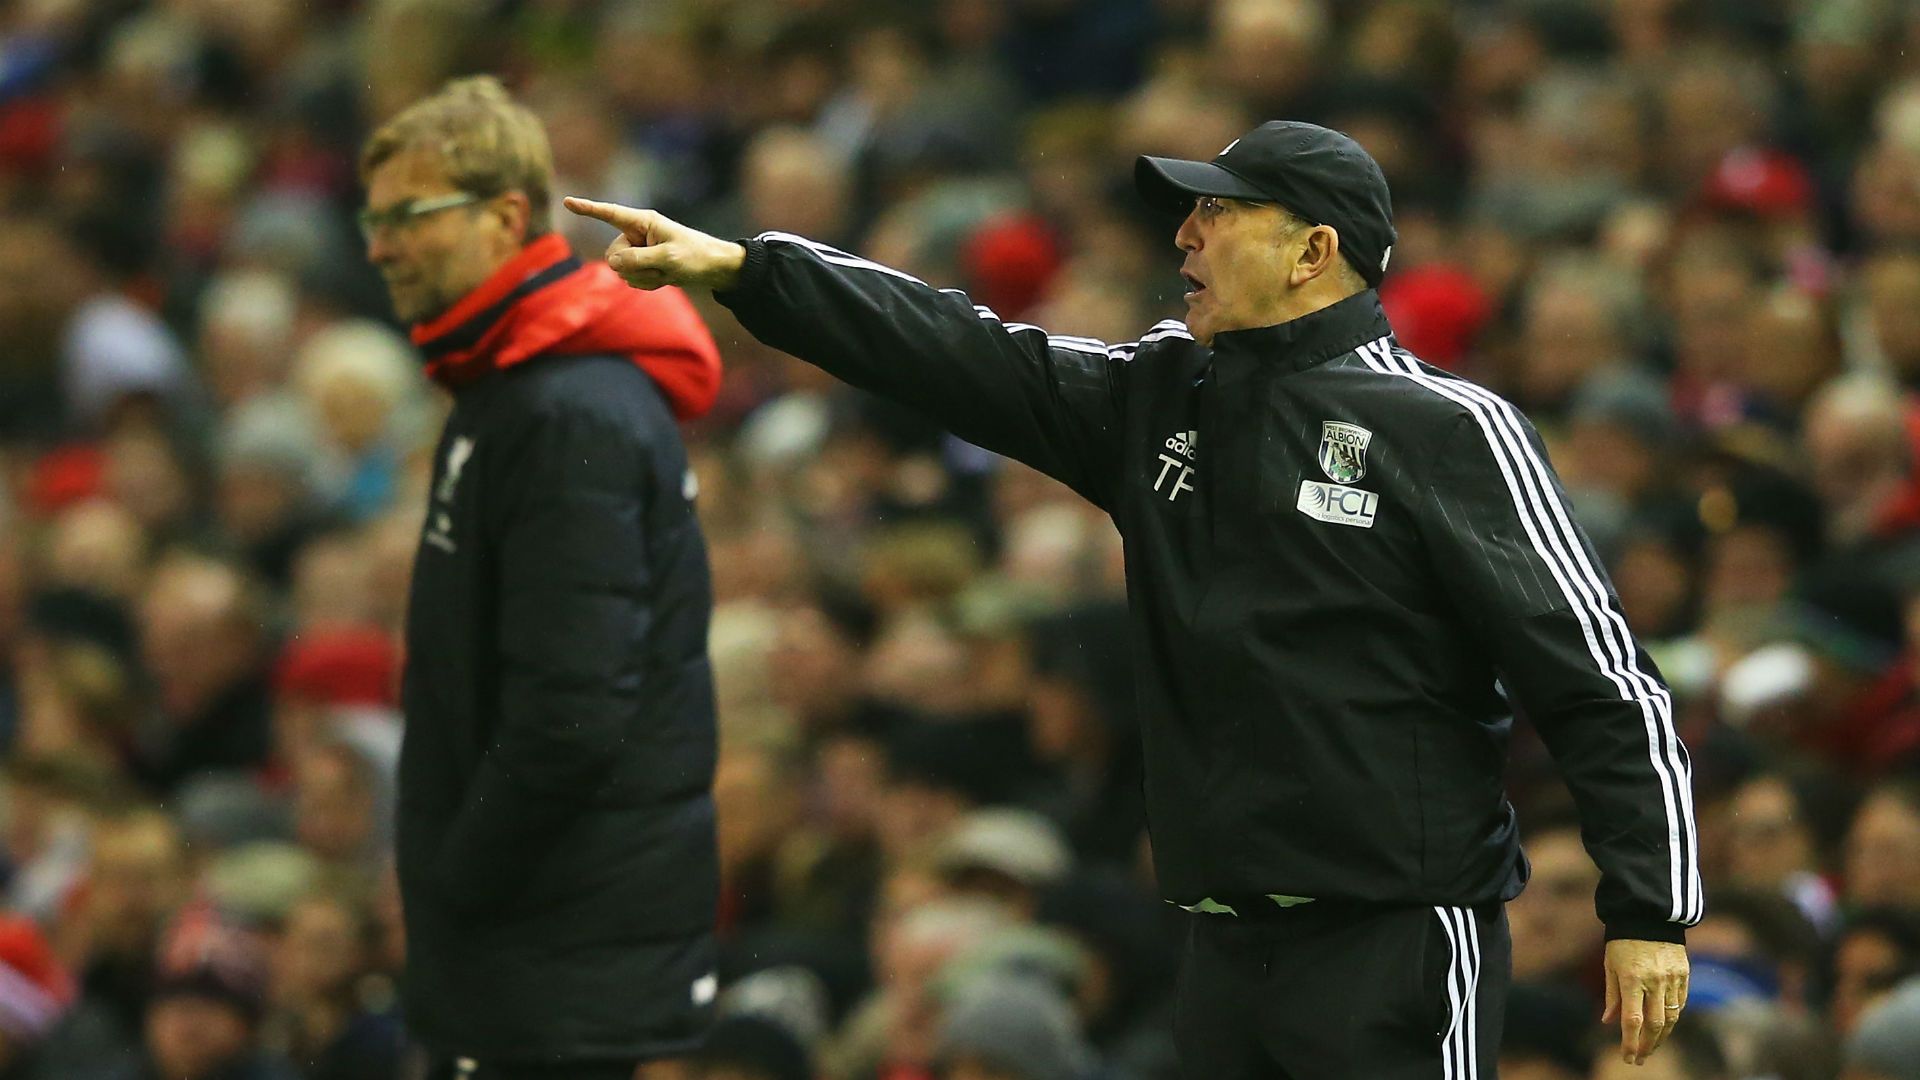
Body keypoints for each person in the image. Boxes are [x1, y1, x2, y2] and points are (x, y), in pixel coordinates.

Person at [568, 118, 1702, 1077]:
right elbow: (964, 354)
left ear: (1313, 250)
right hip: (1217, 946)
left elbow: (1600, 676)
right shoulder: (1159, 395)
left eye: (1219, 215)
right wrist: (748, 272)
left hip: (1393, 941)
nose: (1185, 237)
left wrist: (1650, 908)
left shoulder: (1449, 430)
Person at [359, 76, 725, 1078]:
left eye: (407, 218)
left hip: (557, 951)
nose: (379, 247)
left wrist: (456, 874)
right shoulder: (517, 385)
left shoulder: (567, 413)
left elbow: (570, 712)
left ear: (506, 216)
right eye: (372, 219)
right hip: (542, 946)